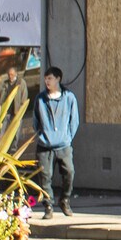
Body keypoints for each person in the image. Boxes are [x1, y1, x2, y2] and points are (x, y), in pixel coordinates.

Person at [34, 66, 78, 218]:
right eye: (46, 79)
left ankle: (64, 200)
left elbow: (74, 121)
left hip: (63, 145)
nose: (47, 81)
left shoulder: (69, 97)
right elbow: (35, 121)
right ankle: (48, 206)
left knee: (69, 173)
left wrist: (67, 137)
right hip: (45, 145)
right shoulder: (40, 99)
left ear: (58, 79)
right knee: (45, 176)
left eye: (50, 78)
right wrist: (42, 135)